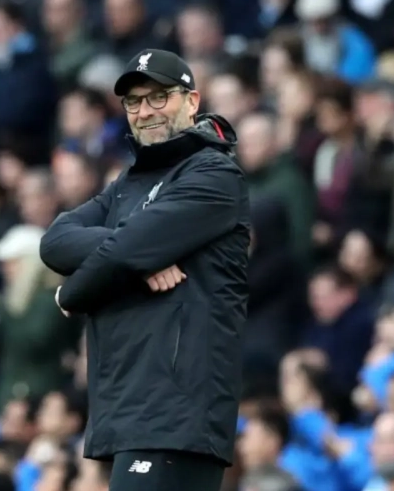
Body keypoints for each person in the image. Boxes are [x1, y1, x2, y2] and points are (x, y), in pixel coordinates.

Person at [39, 48, 250, 491]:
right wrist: (140, 257)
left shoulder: (214, 173)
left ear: (192, 101)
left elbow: (122, 253)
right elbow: (55, 240)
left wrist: (70, 293)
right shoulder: (128, 183)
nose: (145, 111)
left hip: (177, 409)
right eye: (134, 101)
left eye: (159, 97)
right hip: (133, 405)